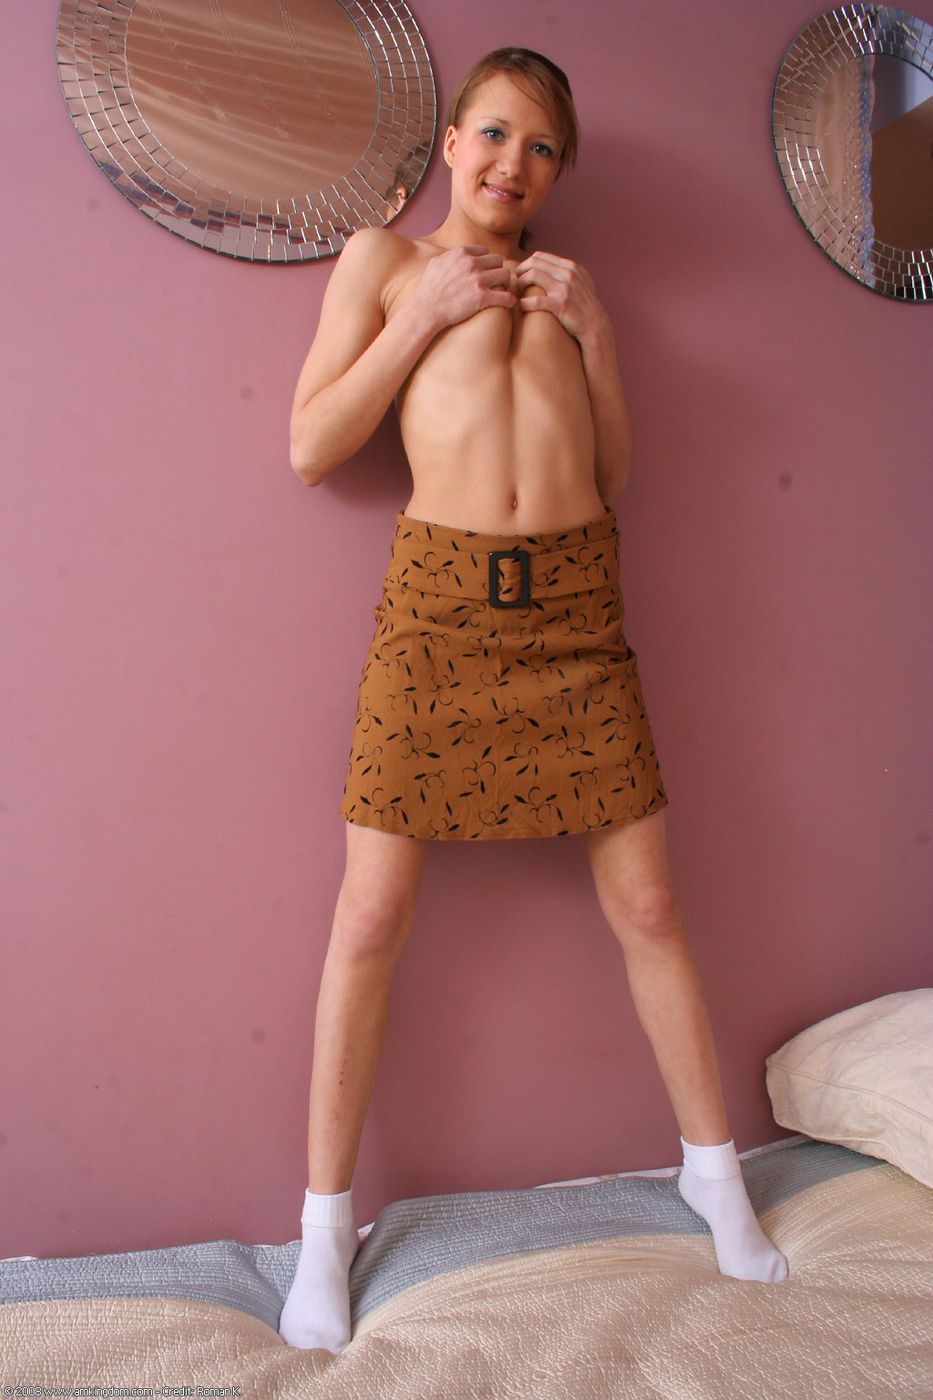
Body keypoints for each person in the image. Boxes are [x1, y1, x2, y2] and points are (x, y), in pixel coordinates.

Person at [278, 46, 788, 1354]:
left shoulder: (570, 289)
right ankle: (324, 1229)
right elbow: (310, 444)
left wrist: (597, 330)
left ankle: (713, 1176)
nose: (515, 163)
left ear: (559, 170)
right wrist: (420, 313)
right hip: (437, 614)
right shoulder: (383, 261)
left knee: (651, 905)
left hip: (574, 614)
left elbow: (611, 475)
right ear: (452, 143)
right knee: (370, 915)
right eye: (496, 134)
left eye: (543, 146)